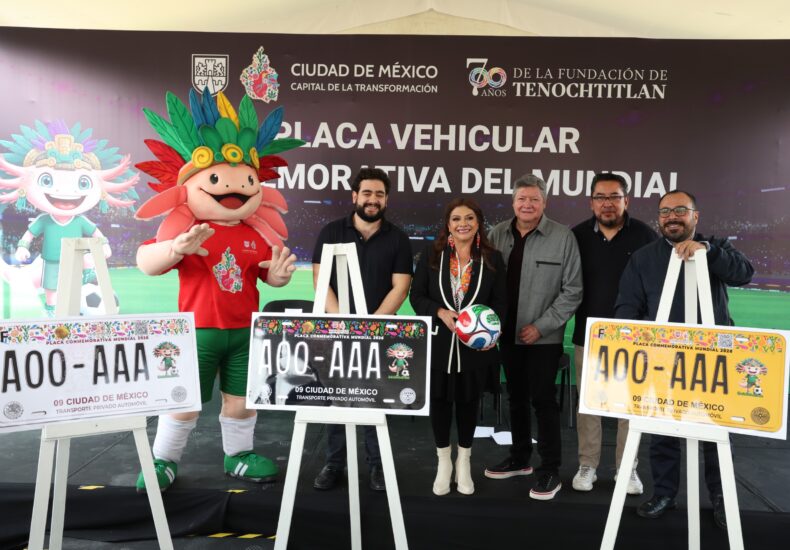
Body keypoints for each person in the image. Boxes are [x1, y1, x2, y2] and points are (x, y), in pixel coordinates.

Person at [133, 89, 302, 492]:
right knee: (184, 403)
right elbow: (146, 263)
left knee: (240, 402)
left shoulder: (254, 235)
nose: (236, 187)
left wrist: (279, 278)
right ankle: (163, 460)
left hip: (245, 333)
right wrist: (175, 249)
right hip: (198, 332)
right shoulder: (187, 231)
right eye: (216, 179)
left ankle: (238, 455)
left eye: (248, 180)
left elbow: (268, 276)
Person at [615, 189, 754, 529]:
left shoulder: (716, 247)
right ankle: (664, 493)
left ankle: (721, 497)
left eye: (680, 210)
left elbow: (744, 273)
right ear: (658, 218)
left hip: (712, 361)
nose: (672, 217)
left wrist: (708, 252)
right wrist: (639, 344)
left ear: (695, 216)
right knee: (662, 432)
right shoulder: (644, 257)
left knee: (715, 433)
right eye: (665, 212)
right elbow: (627, 306)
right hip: (662, 360)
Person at [311, 167, 413, 492]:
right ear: (355, 195)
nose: (373, 199)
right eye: (367, 193)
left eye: (379, 194)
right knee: (337, 399)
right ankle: (334, 463)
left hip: (379, 333)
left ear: (386, 199)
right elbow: (320, 280)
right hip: (336, 332)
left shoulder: (398, 238)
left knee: (376, 400)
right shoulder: (331, 232)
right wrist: (344, 324)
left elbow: (401, 287)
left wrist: (371, 326)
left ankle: (378, 465)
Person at [486, 174, 583, 500]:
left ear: (545, 203)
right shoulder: (497, 234)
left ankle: (550, 469)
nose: (527, 205)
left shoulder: (563, 237)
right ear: (513, 202)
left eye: (534, 199)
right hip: (506, 334)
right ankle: (519, 458)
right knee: (515, 398)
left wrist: (541, 326)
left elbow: (572, 291)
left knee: (543, 400)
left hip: (543, 338)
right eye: (521, 199)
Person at [410, 198, 507, 495]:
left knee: (468, 404)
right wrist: (439, 312)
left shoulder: (492, 258)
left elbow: (501, 302)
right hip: (439, 346)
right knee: (439, 405)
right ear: (448, 224)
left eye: (469, 218)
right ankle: (444, 462)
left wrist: (491, 335)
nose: (462, 223)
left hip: (474, 350)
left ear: (478, 223)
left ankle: (464, 461)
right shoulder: (432, 255)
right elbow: (417, 296)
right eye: (456, 219)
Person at [570, 172, 656, 494]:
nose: (607, 203)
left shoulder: (645, 235)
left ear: (626, 200)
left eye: (614, 197)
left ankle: (627, 467)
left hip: (633, 339)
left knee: (629, 407)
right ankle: (587, 465)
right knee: (589, 406)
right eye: (601, 197)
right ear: (591, 202)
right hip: (589, 336)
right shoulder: (577, 236)